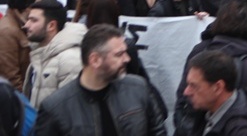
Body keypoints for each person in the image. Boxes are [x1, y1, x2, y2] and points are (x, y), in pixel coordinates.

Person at [34, 24, 167, 135]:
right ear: (95, 60)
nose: (127, 59)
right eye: (119, 54)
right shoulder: (55, 107)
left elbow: (158, 131)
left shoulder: (138, 88)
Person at [181, 49, 247, 135]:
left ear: (218, 87)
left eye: (194, 86)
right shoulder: (206, 112)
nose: (186, 92)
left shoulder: (242, 130)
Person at [22, 0, 88, 106]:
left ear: (51, 26)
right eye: (28, 19)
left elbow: (70, 108)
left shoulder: (71, 60)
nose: (26, 25)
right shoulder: (38, 52)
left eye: (34, 20)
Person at [0, 0, 38, 89]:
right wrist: (24, 101)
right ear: (27, 8)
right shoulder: (7, 31)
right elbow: (10, 77)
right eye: (37, 6)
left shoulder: (22, 25)